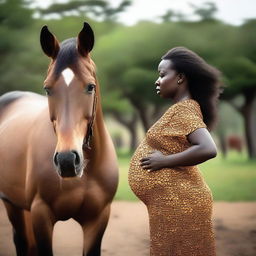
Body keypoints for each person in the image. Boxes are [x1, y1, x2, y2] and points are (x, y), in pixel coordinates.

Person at [128, 46, 220, 256]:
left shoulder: (183, 109)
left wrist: (164, 161)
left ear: (180, 78)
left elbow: (208, 148)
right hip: (174, 201)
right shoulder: (183, 108)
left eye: (162, 75)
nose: (157, 81)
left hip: (181, 202)